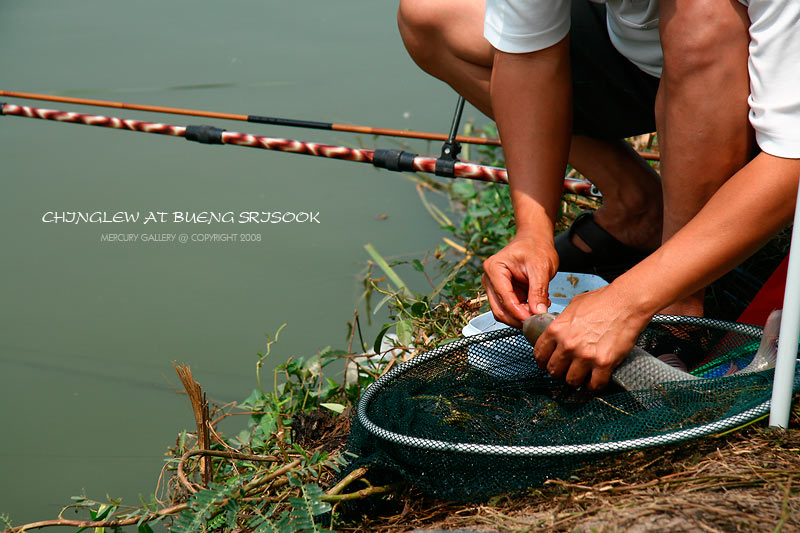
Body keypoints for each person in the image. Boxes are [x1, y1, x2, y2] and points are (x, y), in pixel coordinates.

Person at [397, 0, 800, 389]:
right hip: (642, 56)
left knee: (704, 15)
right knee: (430, 15)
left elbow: (791, 161)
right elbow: (529, 57)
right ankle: (638, 207)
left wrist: (628, 301)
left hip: (753, 73)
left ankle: (679, 312)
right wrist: (532, 231)